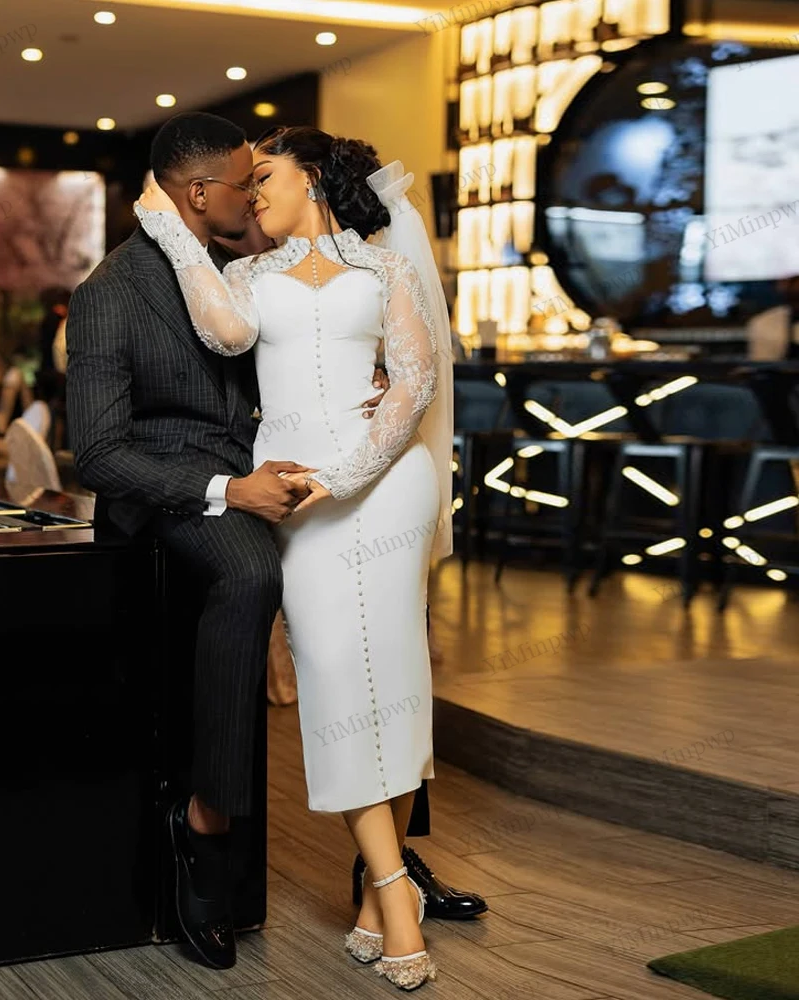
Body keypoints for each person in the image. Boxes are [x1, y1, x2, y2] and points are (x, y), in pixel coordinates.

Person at [135, 119, 455, 991]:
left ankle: (383, 899)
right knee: (334, 681)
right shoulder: (243, 277)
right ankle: (393, 886)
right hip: (294, 495)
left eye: (264, 176)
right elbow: (224, 336)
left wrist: (342, 476)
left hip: (384, 485)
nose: (251, 194)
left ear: (311, 178)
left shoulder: (386, 270)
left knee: (394, 679)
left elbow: (415, 381)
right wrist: (169, 227)